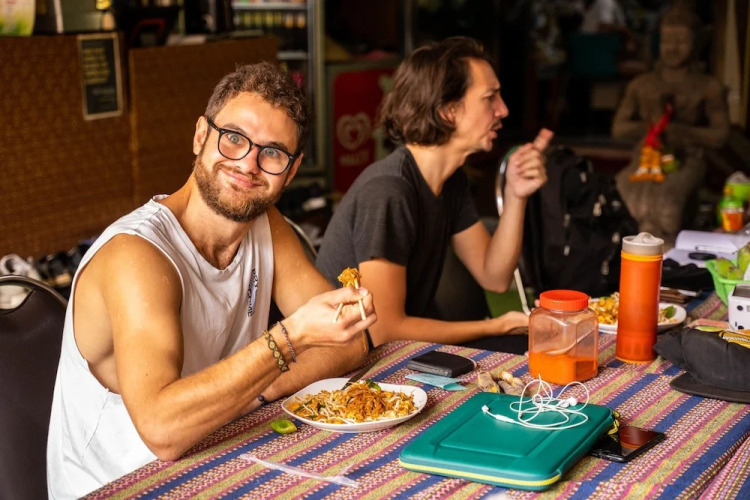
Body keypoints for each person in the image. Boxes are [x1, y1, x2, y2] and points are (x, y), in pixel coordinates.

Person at [47, 62, 376, 498]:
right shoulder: (137, 255)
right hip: (123, 485)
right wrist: (289, 340)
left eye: (272, 153)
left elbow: (351, 339)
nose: (248, 164)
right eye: (234, 138)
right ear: (201, 135)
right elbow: (162, 431)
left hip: (222, 461)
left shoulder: (265, 224)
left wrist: (255, 390)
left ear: (292, 170)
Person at [315, 37, 552, 353]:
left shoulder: (451, 182)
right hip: (356, 361)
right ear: (448, 111)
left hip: (403, 349)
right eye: (490, 98)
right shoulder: (389, 191)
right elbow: (386, 331)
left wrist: (516, 195)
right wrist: (497, 325)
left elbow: (494, 277)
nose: (503, 109)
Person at [612, 5, 729, 246]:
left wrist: (680, 130)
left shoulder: (708, 87)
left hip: (686, 158)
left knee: (667, 207)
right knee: (625, 198)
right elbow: (619, 129)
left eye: (682, 41)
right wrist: (651, 127)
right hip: (645, 159)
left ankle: (668, 251)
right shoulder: (642, 84)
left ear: (696, 43)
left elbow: (720, 135)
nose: (673, 48)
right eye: (667, 41)